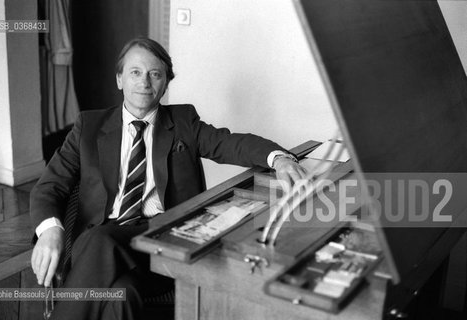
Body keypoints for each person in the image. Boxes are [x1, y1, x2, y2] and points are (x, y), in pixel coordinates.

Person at [30, 37, 307, 319]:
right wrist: (50, 230)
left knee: (101, 240)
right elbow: (50, 186)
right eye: (135, 72)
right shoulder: (88, 126)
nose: (145, 82)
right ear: (119, 79)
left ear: (166, 82)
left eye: (155, 74)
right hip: (97, 251)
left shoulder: (184, 122)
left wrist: (279, 158)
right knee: (122, 295)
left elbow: (232, 143)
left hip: (161, 243)